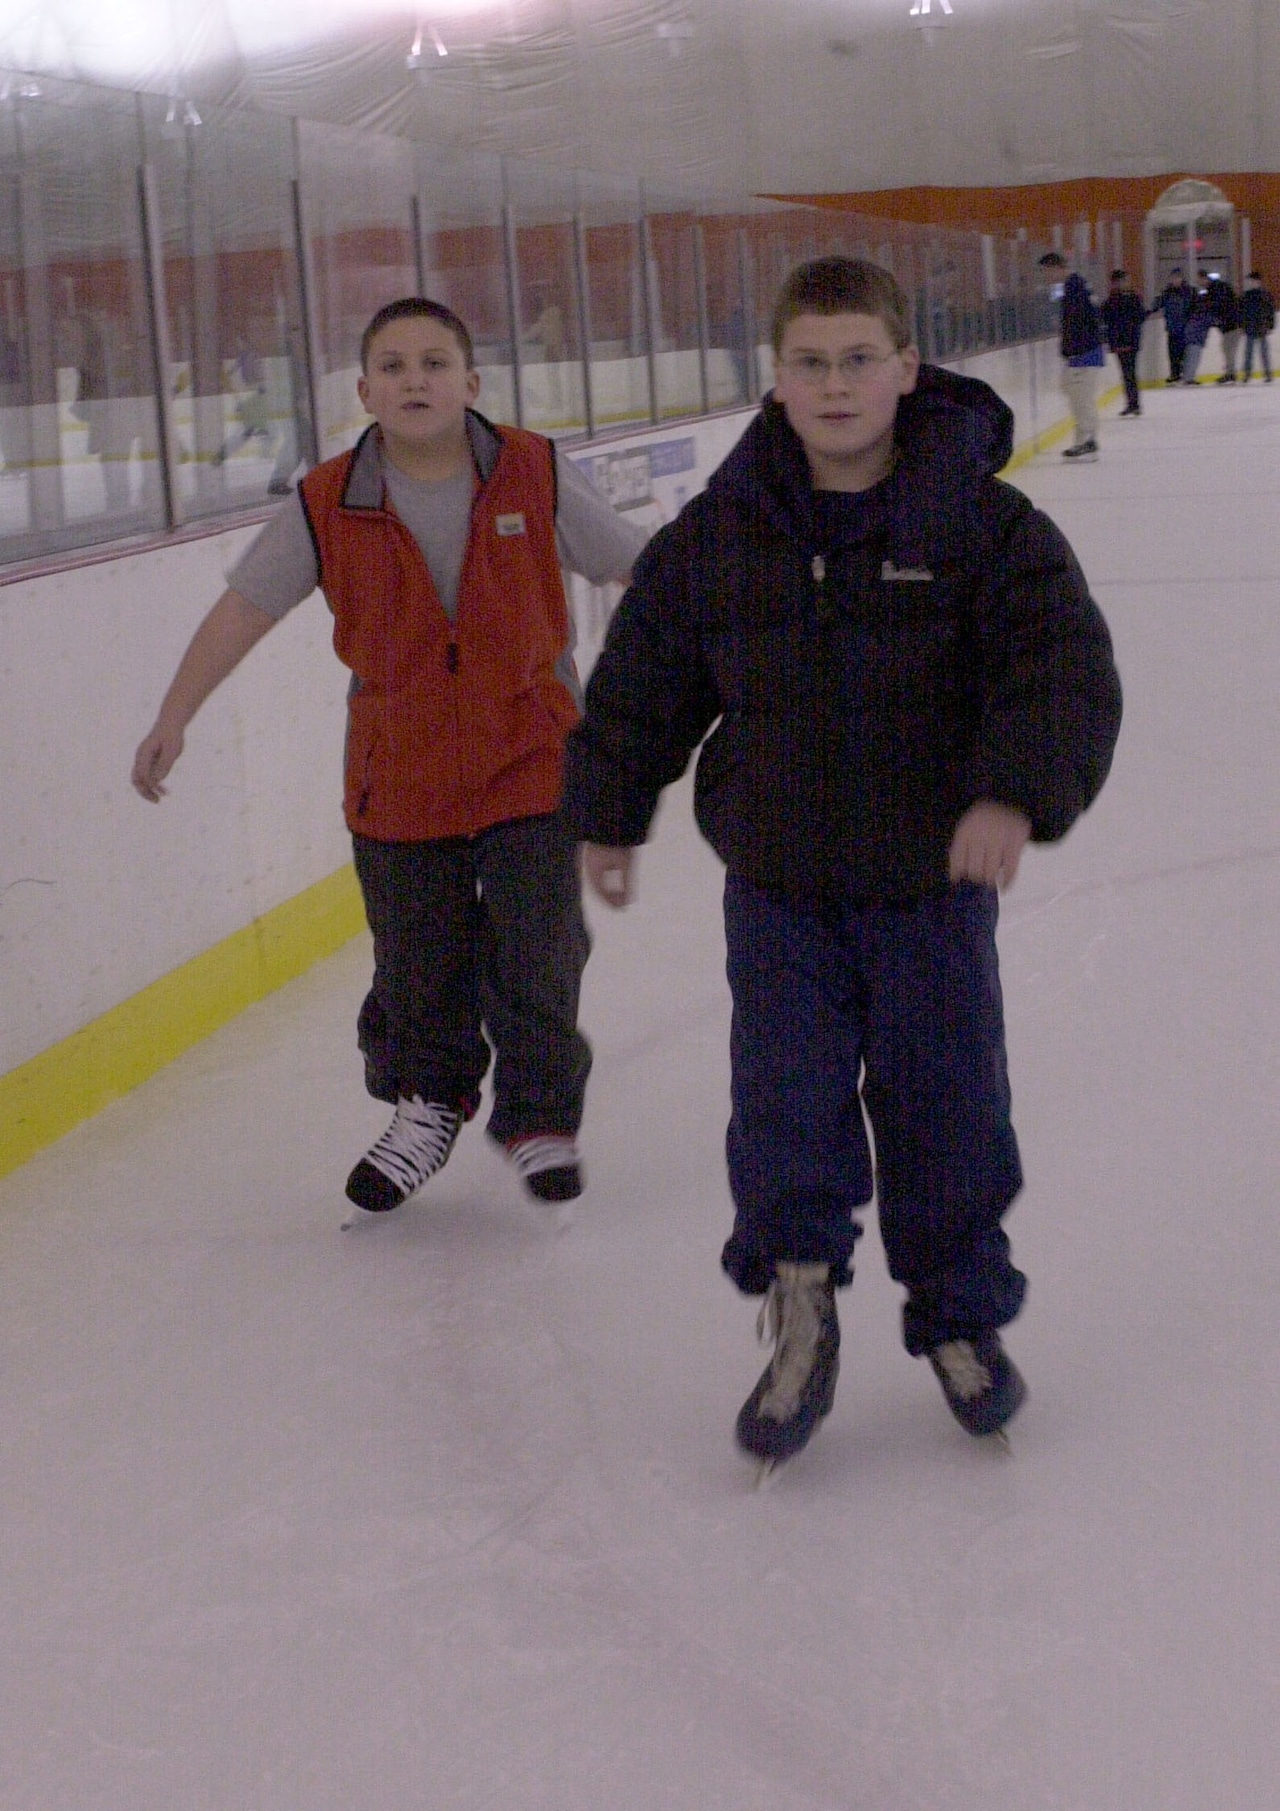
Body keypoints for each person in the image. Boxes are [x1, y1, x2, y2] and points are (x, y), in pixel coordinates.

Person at [560, 256, 1122, 1466]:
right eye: (808, 362)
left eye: (857, 357)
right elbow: (644, 677)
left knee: (946, 1108)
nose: (833, 383)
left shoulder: (981, 523)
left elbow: (1059, 668)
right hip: (780, 887)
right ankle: (800, 1301)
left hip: (928, 887)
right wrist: (607, 811)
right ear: (773, 377)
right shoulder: (722, 532)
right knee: (783, 1106)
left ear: (904, 368)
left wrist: (1014, 793)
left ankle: (960, 1318)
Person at [132, 297, 647, 1219]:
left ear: (472, 383)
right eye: (396, 366)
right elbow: (245, 609)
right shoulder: (327, 501)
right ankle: (429, 1105)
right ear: (364, 390)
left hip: (530, 754)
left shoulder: (533, 471)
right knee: (416, 962)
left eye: (436, 362)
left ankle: (537, 1120)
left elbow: (634, 565)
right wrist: (176, 712)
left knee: (540, 946)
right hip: (397, 771)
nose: (417, 379)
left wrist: (744, 627)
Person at [1057, 269, 1105, 460]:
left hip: (1083, 355)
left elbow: (1075, 323)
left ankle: (1087, 442)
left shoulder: (1074, 293)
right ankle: (1084, 441)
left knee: (1082, 399)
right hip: (1082, 355)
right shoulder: (1080, 291)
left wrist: (1070, 349)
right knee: (1076, 396)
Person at [1100, 268, 1147, 417]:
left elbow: (1140, 316)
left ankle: (1134, 404)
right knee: (1127, 373)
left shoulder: (1129, 298)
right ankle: (1132, 404)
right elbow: (1104, 316)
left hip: (1127, 341)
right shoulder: (1115, 299)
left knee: (1129, 373)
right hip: (1123, 341)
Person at [1156, 267, 1193, 383]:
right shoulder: (1167, 293)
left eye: (1177, 278)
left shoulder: (1187, 292)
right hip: (1172, 328)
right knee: (1172, 353)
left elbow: (1192, 307)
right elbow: (1158, 304)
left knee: (1184, 353)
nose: (1175, 280)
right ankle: (1174, 374)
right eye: (1173, 278)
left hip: (1185, 328)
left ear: (1181, 278)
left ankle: (1184, 373)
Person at [1240, 271, 1275, 383]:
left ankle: (1268, 373)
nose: (1251, 283)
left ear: (1258, 281)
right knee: (1248, 353)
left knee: (1264, 352)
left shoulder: (1265, 294)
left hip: (1261, 326)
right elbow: (1242, 312)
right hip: (1250, 327)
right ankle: (1247, 374)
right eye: (1250, 281)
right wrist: (1242, 326)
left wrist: (1270, 325)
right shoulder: (1246, 295)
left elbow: (1270, 311)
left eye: (1252, 281)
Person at [1206, 275, 1241, 382]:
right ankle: (1230, 373)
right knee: (1228, 350)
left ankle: (1231, 373)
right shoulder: (1229, 298)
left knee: (1229, 350)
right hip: (1230, 327)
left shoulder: (1223, 298)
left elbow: (1220, 309)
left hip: (1231, 327)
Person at [1181, 287, 1212, 384]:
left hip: (1193, 337)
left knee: (1190, 357)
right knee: (1194, 357)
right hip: (1196, 338)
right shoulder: (1201, 313)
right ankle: (1189, 378)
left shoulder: (1193, 312)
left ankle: (1188, 376)